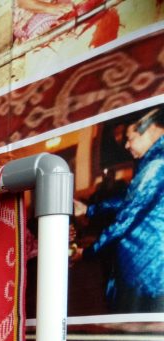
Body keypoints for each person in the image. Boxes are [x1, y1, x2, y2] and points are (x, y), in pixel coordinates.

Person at [74, 107, 164, 313]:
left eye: (130, 138)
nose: (126, 144)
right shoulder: (152, 162)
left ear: (149, 130)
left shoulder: (156, 165)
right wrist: (89, 210)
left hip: (149, 268)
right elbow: (129, 199)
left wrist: (87, 252)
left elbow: (127, 217)